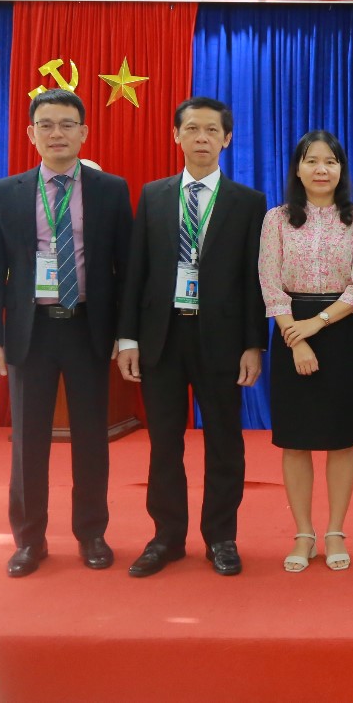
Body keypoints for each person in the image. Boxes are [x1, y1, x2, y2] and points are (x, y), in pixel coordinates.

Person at [0, 88, 132, 577]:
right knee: (28, 442)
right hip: (31, 333)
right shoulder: (7, 191)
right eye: (46, 124)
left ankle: (92, 534)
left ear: (84, 132)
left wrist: (126, 335)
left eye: (67, 124)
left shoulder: (111, 190)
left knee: (91, 439)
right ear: (31, 133)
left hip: (88, 329)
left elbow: (126, 269)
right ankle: (29, 540)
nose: (57, 133)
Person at [117, 97, 266, 577]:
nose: (202, 138)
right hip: (161, 337)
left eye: (212, 130)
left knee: (225, 442)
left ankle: (221, 537)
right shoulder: (154, 195)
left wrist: (254, 344)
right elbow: (136, 270)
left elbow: (254, 280)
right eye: (193, 129)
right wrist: (127, 338)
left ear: (227, 138)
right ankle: (166, 537)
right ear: (176, 136)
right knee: (164, 443)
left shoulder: (248, 202)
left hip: (221, 339)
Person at [258, 130, 353, 572]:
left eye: (330, 161)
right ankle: (304, 533)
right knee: (296, 440)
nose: (321, 169)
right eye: (311, 161)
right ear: (297, 168)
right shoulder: (276, 219)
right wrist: (297, 337)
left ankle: (335, 530)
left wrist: (318, 323)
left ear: (341, 168)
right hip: (291, 329)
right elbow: (269, 283)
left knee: (341, 439)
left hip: (342, 331)